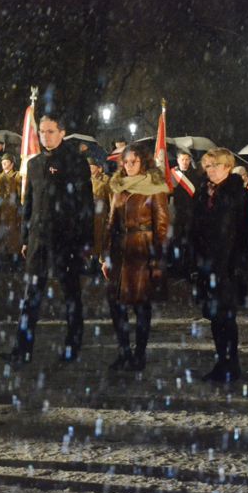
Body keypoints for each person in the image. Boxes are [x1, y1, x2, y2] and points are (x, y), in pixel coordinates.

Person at [0, 113, 94, 365]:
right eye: (42, 131)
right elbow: (29, 203)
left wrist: (85, 242)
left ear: (62, 133)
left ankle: (73, 347)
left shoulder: (76, 162)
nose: (45, 136)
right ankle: (23, 349)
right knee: (31, 295)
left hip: (66, 240)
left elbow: (85, 205)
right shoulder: (34, 164)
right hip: (38, 240)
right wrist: (25, 237)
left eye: (50, 131)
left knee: (71, 294)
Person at [101, 145, 170, 371]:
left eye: (134, 161)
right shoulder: (118, 187)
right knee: (116, 306)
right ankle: (124, 352)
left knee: (141, 306)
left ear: (144, 162)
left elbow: (161, 227)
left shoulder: (155, 188)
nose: (129, 166)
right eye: (126, 162)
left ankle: (139, 354)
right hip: (120, 254)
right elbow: (111, 223)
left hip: (142, 251)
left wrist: (157, 260)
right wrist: (105, 255)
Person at [192, 149, 248, 382]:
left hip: (228, 266)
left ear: (228, 166)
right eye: (208, 166)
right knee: (215, 317)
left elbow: (244, 234)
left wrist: (237, 265)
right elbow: (195, 228)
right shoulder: (203, 192)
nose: (211, 170)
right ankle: (222, 362)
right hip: (207, 265)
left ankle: (231, 364)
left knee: (226, 317)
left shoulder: (239, 194)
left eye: (215, 165)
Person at [169, 150, 203, 277]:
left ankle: (189, 268)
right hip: (176, 213)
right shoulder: (172, 174)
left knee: (190, 242)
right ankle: (176, 267)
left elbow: (198, 193)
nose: (185, 162)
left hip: (191, 213)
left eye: (187, 159)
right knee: (176, 241)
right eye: (182, 159)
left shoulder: (195, 175)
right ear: (177, 160)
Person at [0, 153, 23, 269]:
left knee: (13, 236)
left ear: (12, 164)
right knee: (2, 235)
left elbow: (20, 194)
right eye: (2, 163)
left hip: (13, 209)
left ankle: (14, 260)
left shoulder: (16, 175)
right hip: (2, 210)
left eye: (6, 162)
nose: (3, 164)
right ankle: (3, 259)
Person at [89, 157, 111, 269]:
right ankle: (89, 260)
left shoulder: (106, 180)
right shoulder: (86, 179)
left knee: (99, 236)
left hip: (100, 213)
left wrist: (110, 214)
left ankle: (98, 262)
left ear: (99, 168)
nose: (90, 169)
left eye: (92, 166)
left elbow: (110, 198)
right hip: (89, 212)